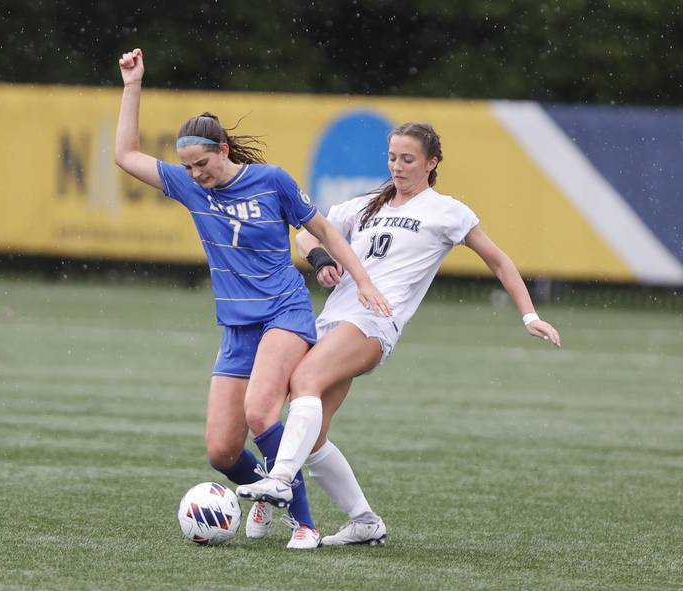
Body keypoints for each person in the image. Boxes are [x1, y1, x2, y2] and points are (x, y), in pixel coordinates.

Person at [114, 48, 391, 549]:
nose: (196, 174)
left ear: (223, 149)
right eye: (188, 167)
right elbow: (125, 156)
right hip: (236, 325)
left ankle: (304, 523)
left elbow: (322, 228)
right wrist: (133, 85)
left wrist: (364, 281)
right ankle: (266, 483)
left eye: (202, 163)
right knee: (221, 451)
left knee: (262, 412)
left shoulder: (272, 181)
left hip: (284, 311)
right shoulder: (189, 186)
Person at [236, 121, 562, 545]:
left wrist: (528, 316)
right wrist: (320, 259)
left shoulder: (447, 211)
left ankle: (278, 481)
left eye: (408, 159)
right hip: (333, 320)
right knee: (312, 436)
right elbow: (306, 235)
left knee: (304, 382)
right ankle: (364, 520)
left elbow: (499, 261)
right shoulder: (367, 205)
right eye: (392, 158)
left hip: (374, 324)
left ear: (432, 162)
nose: (398, 166)